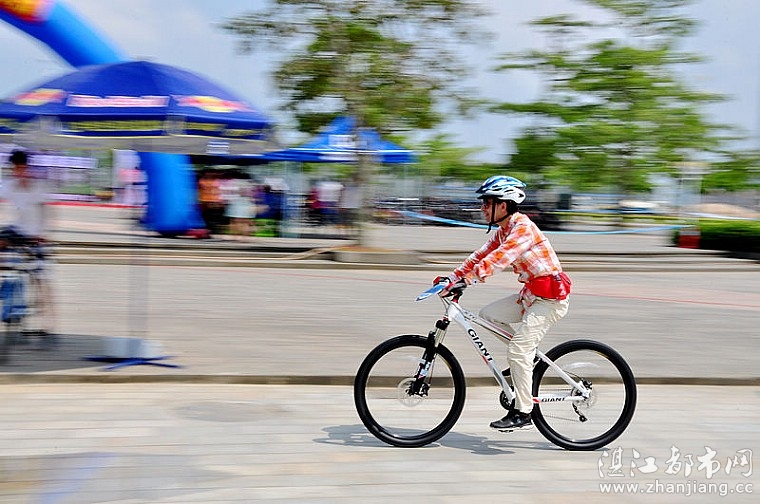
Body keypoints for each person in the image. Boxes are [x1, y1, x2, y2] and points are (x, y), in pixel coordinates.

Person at [435, 175, 571, 432]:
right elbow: (481, 255)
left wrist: (469, 280)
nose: (483, 208)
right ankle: (528, 359)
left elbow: (500, 258)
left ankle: (524, 412)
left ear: (504, 205)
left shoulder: (523, 228)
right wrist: (453, 277)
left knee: (518, 351)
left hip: (550, 300)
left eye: (487, 203)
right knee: (489, 315)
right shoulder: (504, 229)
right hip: (531, 295)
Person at [0, 150, 57, 348]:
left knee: (42, 279)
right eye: (16, 168)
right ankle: (10, 306)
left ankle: (48, 325)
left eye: (22, 168)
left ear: (27, 167)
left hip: (36, 237)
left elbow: (47, 211)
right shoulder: (9, 185)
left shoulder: (38, 186)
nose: (19, 172)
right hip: (17, 234)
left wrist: (44, 234)